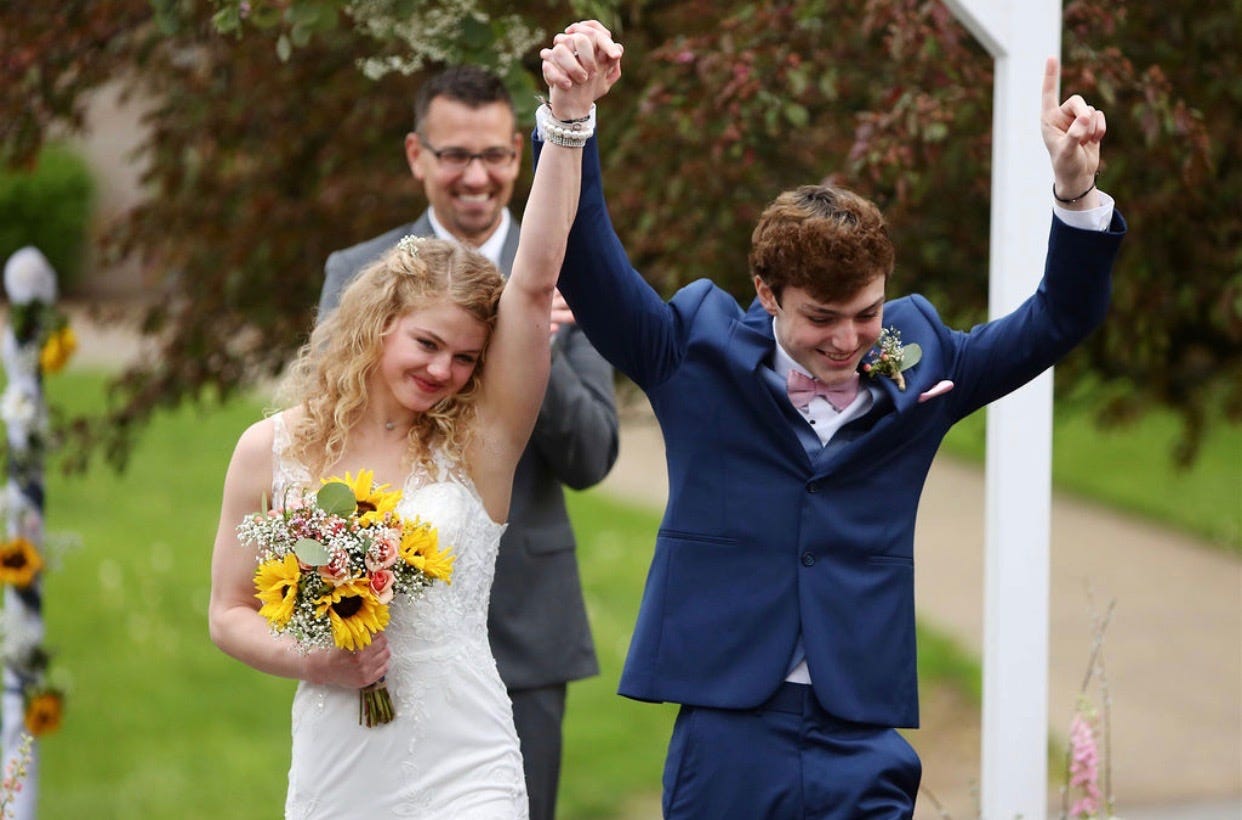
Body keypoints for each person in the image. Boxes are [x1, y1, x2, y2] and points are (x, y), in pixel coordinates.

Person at [542, 23, 1125, 819]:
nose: (849, 341)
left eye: (865, 313)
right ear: (767, 293)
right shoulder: (693, 352)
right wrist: (573, 121)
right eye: (822, 318)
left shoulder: (924, 357)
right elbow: (588, 257)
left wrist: (1075, 196)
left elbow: (1060, 318)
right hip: (726, 728)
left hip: (864, 729)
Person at [208, 31, 623, 818]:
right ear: (375, 326)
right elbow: (228, 612)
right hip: (339, 758)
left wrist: (567, 123)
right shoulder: (271, 449)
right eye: (428, 345)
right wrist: (315, 659)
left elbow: (534, 287)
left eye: (467, 359)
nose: (444, 372)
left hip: (469, 761)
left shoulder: (476, 446)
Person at [318, 65, 620, 820]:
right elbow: (334, 436)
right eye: (455, 155)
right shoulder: (357, 273)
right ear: (417, 155)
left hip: (526, 628)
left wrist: (529, 344)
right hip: (390, 629)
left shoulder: (577, 279)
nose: (476, 177)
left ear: (519, 154)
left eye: (492, 155)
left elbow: (592, 458)